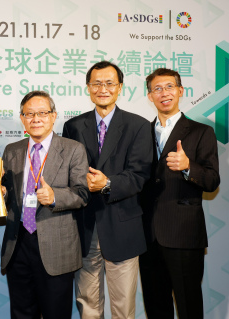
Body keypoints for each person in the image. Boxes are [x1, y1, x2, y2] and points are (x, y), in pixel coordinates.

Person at [62, 61, 153, 319]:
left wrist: (108, 183)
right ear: (88, 88)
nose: (103, 88)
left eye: (109, 83)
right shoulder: (73, 126)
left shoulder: (138, 126)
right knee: (87, 305)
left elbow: (140, 174)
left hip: (123, 227)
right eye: (97, 83)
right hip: (85, 227)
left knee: (123, 308)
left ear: (120, 87)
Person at [0, 90, 89, 319]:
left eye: (42, 113)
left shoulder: (73, 149)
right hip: (18, 244)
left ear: (54, 115)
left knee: (56, 313)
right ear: (22, 118)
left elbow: (82, 193)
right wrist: (2, 193)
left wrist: (55, 197)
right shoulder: (12, 150)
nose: (35, 119)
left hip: (56, 247)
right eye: (29, 114)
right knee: (21, 313)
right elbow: (9, 196)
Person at [139, 68, 220, 319]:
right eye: (157, 89)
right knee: (155, 307)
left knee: (189, 306)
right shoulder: (140, 133)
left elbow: (212, 181)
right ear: (150, 96)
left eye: (169, 87)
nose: (164, 93)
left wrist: (188, 167)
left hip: (184, 234)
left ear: (180, 91)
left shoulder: (200, 132)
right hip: (147, 236)